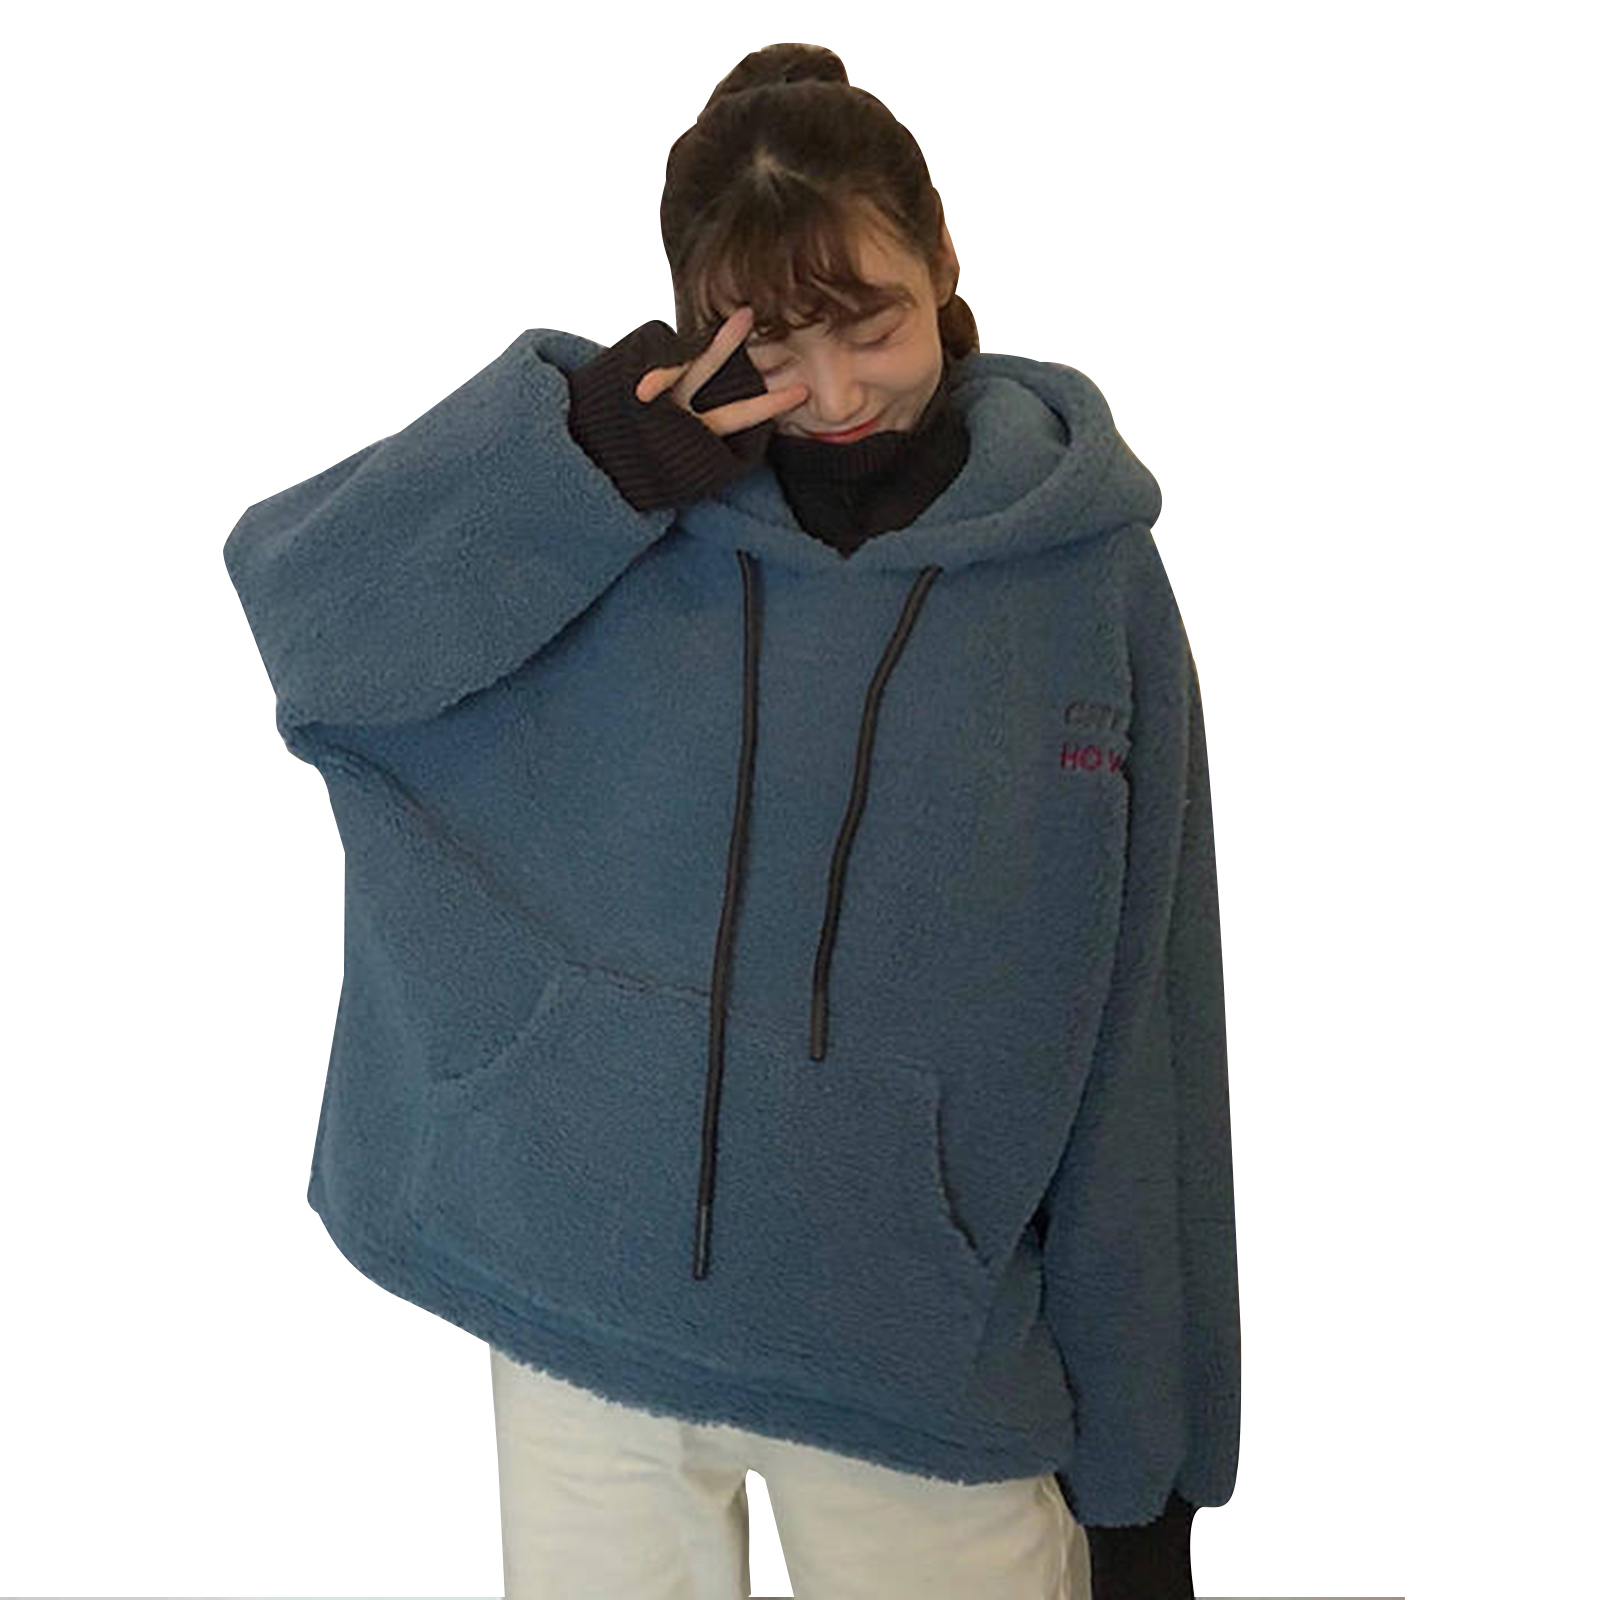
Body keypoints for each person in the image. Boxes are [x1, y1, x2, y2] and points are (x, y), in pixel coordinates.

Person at [222, 40, 1240, 1600]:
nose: (831, 393)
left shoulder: (1080, 577)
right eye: (769, 342)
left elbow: (1146, 1024)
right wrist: (604, 453)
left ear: (944, 260)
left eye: (871, 326)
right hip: (585, 1331)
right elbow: (315, 622)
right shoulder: (601, 505)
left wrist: (1146, 1488)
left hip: (918, 1366)